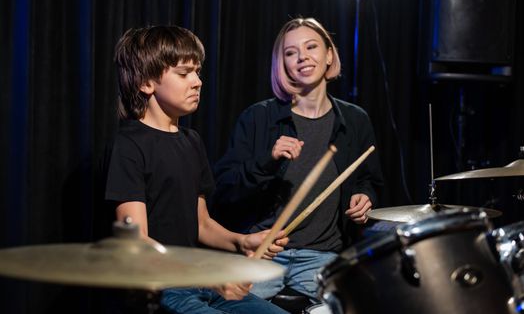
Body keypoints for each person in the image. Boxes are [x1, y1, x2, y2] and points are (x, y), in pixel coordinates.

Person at [104, 25, 289, 314]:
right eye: (184, 73)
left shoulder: (192, 141)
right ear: (146, 83)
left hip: (199, 283)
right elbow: (136, 241)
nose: (197, 82)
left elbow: (201, 224)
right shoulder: (129, 145)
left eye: (198, 72)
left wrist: (241, 242)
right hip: (162, 288)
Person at [210, 17, 383, 304]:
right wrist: (268, 161)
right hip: (264, 253)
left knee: (359, 305)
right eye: (291, 52)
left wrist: (365, 197)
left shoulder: (355, 120)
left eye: (311, 47)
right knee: (224, 305)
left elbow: (369, 179)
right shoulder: (258, 118)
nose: (302, 57)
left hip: (323, 256)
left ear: (329, 55)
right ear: (283, 64)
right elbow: (224, 191)